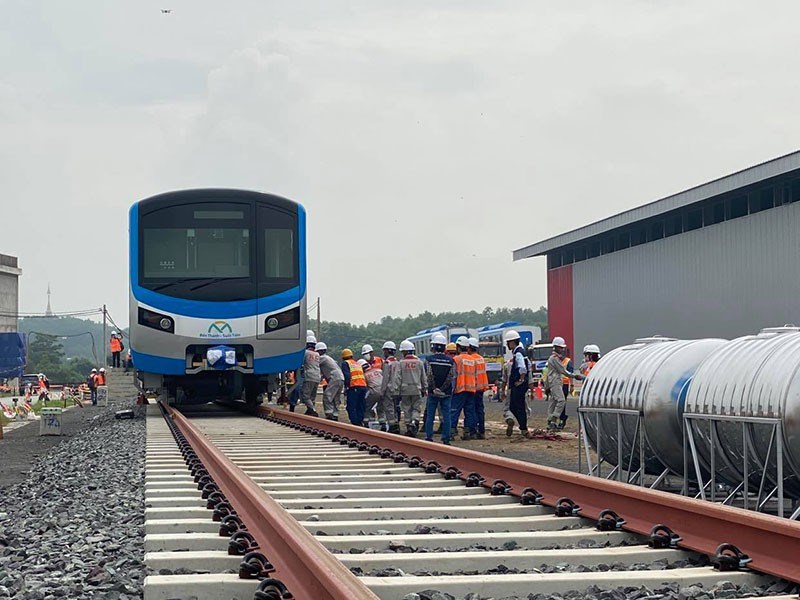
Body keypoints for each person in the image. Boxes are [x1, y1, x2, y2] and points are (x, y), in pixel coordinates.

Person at [545, 336, 584, 431]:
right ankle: (554, 418)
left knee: (553, 402)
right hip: (555, 382)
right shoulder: (554, 358)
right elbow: (562, 370)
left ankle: (550, 421)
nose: (562, 349)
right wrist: (574, 376)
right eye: (561, 347)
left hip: (554, 382)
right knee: (561, 400)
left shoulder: (554, 358)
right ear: (556, 347)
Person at [424, 333, 455, 444]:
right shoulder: (450, 361)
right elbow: (451, 376)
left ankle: (429, 436)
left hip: (433, 393)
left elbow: (428, 375)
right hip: (446, 393)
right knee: (446, 416)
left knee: (430, 415)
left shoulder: (429, 359)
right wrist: (443, 389)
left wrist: (434, 388)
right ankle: (446, 438)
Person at [505, 330, 533, 438]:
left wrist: (521, 380)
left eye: (508, 342)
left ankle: (523, 428)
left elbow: (523, 367)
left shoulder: (518, 353)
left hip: (519, 385)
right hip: (521, 384)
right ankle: (522, 426)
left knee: (518, 406)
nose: (507, 345)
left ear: (512, 342)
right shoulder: (522, 352)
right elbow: (529, 365)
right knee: (514, 406)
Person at [395, 339, 426, 437]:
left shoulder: (401, 363)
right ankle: (414, 421)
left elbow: (397, 378)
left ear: (404, 351)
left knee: (407, 409)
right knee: (416, 408)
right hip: (417, 389)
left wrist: (396, 390)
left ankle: (409, 427)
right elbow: (423, 377)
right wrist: (424, 388)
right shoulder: (419, 362)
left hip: (404, 390)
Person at [450, 336, 477, 440]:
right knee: (469, 412)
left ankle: (451, 432)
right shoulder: (472, 359)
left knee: (454, 411)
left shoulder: (456, 359)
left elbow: (454, 375)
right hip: (471, 389)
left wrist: (452, 389)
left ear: (458, 347)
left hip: (460, 389)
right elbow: (474, 375)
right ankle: (468, 432)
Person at [315, 342, 344, 420]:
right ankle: (335, 414)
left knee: (327, 395)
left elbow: (313, 363)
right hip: (340, 378)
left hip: (334, 378)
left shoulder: (323, 358)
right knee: (336, 398)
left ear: (319, 351)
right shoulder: (329, 358)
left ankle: (329, 413)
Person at [468, 337, 489, 440]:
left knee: (472, 409)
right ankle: (482, 431)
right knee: (480, 410)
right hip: (481, 388)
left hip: (473, 388)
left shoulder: (471, 359)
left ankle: (474, 430)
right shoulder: (481, 358)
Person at [341, 348, 367, 425]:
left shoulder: (345, 363)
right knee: (360, 405)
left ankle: (355, 423)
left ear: (343, 357)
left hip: (354, 387)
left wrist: (346, 387)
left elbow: (347, 376)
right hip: (363, 386)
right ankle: (360, 421)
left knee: (351, 406)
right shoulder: (357, 363)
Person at [379, 341, 401, 433]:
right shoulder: (397, 362)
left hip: (389, 389)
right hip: (397, 389)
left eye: (384, 351)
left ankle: (392, 426)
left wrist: (382, 392)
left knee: (389, 408)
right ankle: (396, 423)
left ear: (387, 351)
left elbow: (385, 379)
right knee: (396, 407)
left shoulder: (387, 363)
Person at [299, 335, 321, 416]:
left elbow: (300, 362)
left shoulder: (305, 353)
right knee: (312, 396)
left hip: (309, 376)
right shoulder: (317, 354)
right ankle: (309, 410)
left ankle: (313, 410)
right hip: (317, 376)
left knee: (305, 395)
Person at [361, 357, 384, 426]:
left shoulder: (365, 375)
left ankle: (366, 423)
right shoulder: (378, 370)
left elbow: (365, 387)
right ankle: (382, 423)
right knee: (381, 408)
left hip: (374, 391)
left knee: (367, 407)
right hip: (383, 391)